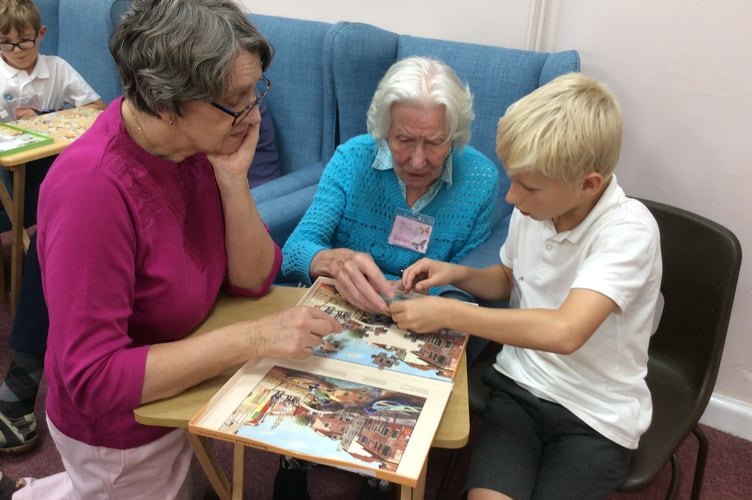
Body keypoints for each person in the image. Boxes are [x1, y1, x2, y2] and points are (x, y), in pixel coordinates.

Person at [0, 1, 343, 499]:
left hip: (182, 395)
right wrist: (252, 340)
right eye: (238, 98)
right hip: (119, 431)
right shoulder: (92, 189)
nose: (254, 111)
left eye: (256, 89)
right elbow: (91, 379)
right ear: (166, 103)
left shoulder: (193, 149)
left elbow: (254, 277)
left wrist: (232, 177)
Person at [388, 72, 663, 500]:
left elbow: (565, 331)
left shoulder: (629, 231)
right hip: (520, 389)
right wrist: (456, 273)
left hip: (595, 416)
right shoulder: (534, 210)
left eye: (528, 186)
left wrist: (449, 312)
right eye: (512, 179)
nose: (512, 197)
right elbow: (510, 280)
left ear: (588, 184)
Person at [276, 56, 499, 499]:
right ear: (383, 129)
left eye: (435, 143)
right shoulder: (352, 160)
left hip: (423, 320)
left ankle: (380, 476)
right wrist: (332, 261)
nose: (417, 159)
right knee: (297, 372)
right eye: (403, 140)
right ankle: (292, 458)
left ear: (454, 136)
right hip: (341, 311)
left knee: (391, 430)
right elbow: (295, 250)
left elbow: (472, 272)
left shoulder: (479, 179)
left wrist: (433, 297)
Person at [0, 0, 106, 230]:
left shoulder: (57, 67)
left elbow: (97, 108)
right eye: (6, 44)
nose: (17, 51)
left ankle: (41, 230)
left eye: (25, 41)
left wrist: (43, 117)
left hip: (46, 161)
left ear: (41, 34)